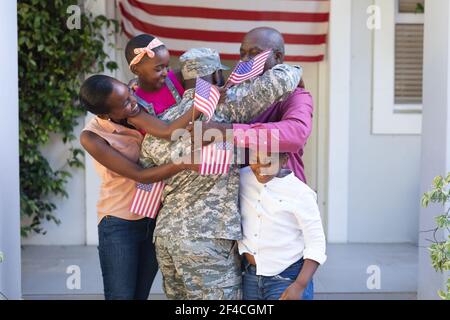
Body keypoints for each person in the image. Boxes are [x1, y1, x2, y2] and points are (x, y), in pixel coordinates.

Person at [139, 47, 303, 299]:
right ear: (216, 75)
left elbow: (147, 181)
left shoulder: (159, 124)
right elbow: (285, 77)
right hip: (208, 239)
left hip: (166, 236)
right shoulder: (226, 106)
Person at [79, 74, 199, 300]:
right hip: (119, 222)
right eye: (124, 102)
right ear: (106, 114)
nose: (133, 101)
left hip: (152, 217)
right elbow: (140, 175)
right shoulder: (92, 137)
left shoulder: (135, 110)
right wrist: (183, 163)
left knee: (140, 295)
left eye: (129, 92)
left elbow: (168, 129)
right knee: (121, 296)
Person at [198, 27, 313, 183]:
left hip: (282, 195)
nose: (244, 61)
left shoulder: (296, 95)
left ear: (277, 57)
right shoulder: (233, 92)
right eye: (242, 53)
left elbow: (296, 134)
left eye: (254, 54)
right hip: (242, 195)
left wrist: (227, 131)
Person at [239, 152, 326, 300]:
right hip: (250, 277)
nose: (261, 168)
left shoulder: (300, 193)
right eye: (256, 160)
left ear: (284, 160)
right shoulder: (242, 177)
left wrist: (299, 285)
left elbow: (316, 242)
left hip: (286, 278)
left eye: (269, 162)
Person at [125, 34, 185, 118]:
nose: (165, 73)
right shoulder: (136, 104)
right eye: (158, 69)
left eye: (167, 67)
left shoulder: (178, 77)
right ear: (136, 70)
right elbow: (163, 130)